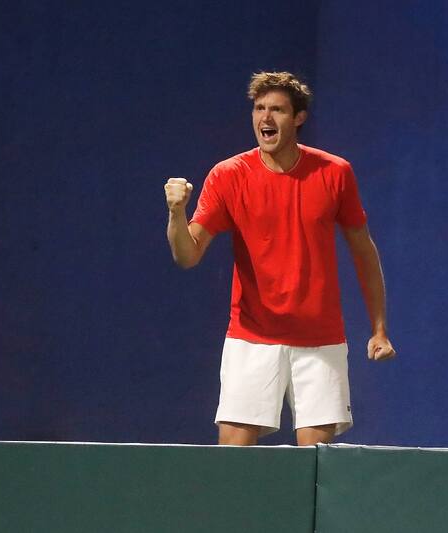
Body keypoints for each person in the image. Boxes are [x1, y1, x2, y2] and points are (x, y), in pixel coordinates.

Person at [164, 71, 396, 446]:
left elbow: (363, 251)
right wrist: (177, 214)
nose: (265, 118)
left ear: (298, 118)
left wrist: (379, 328)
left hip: (320, 340)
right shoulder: (227, 175)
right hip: (251, 337)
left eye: (277, 110)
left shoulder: (335, 172)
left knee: (317, 465)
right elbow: (187, 255)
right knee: (232, 461)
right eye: (259, 109)